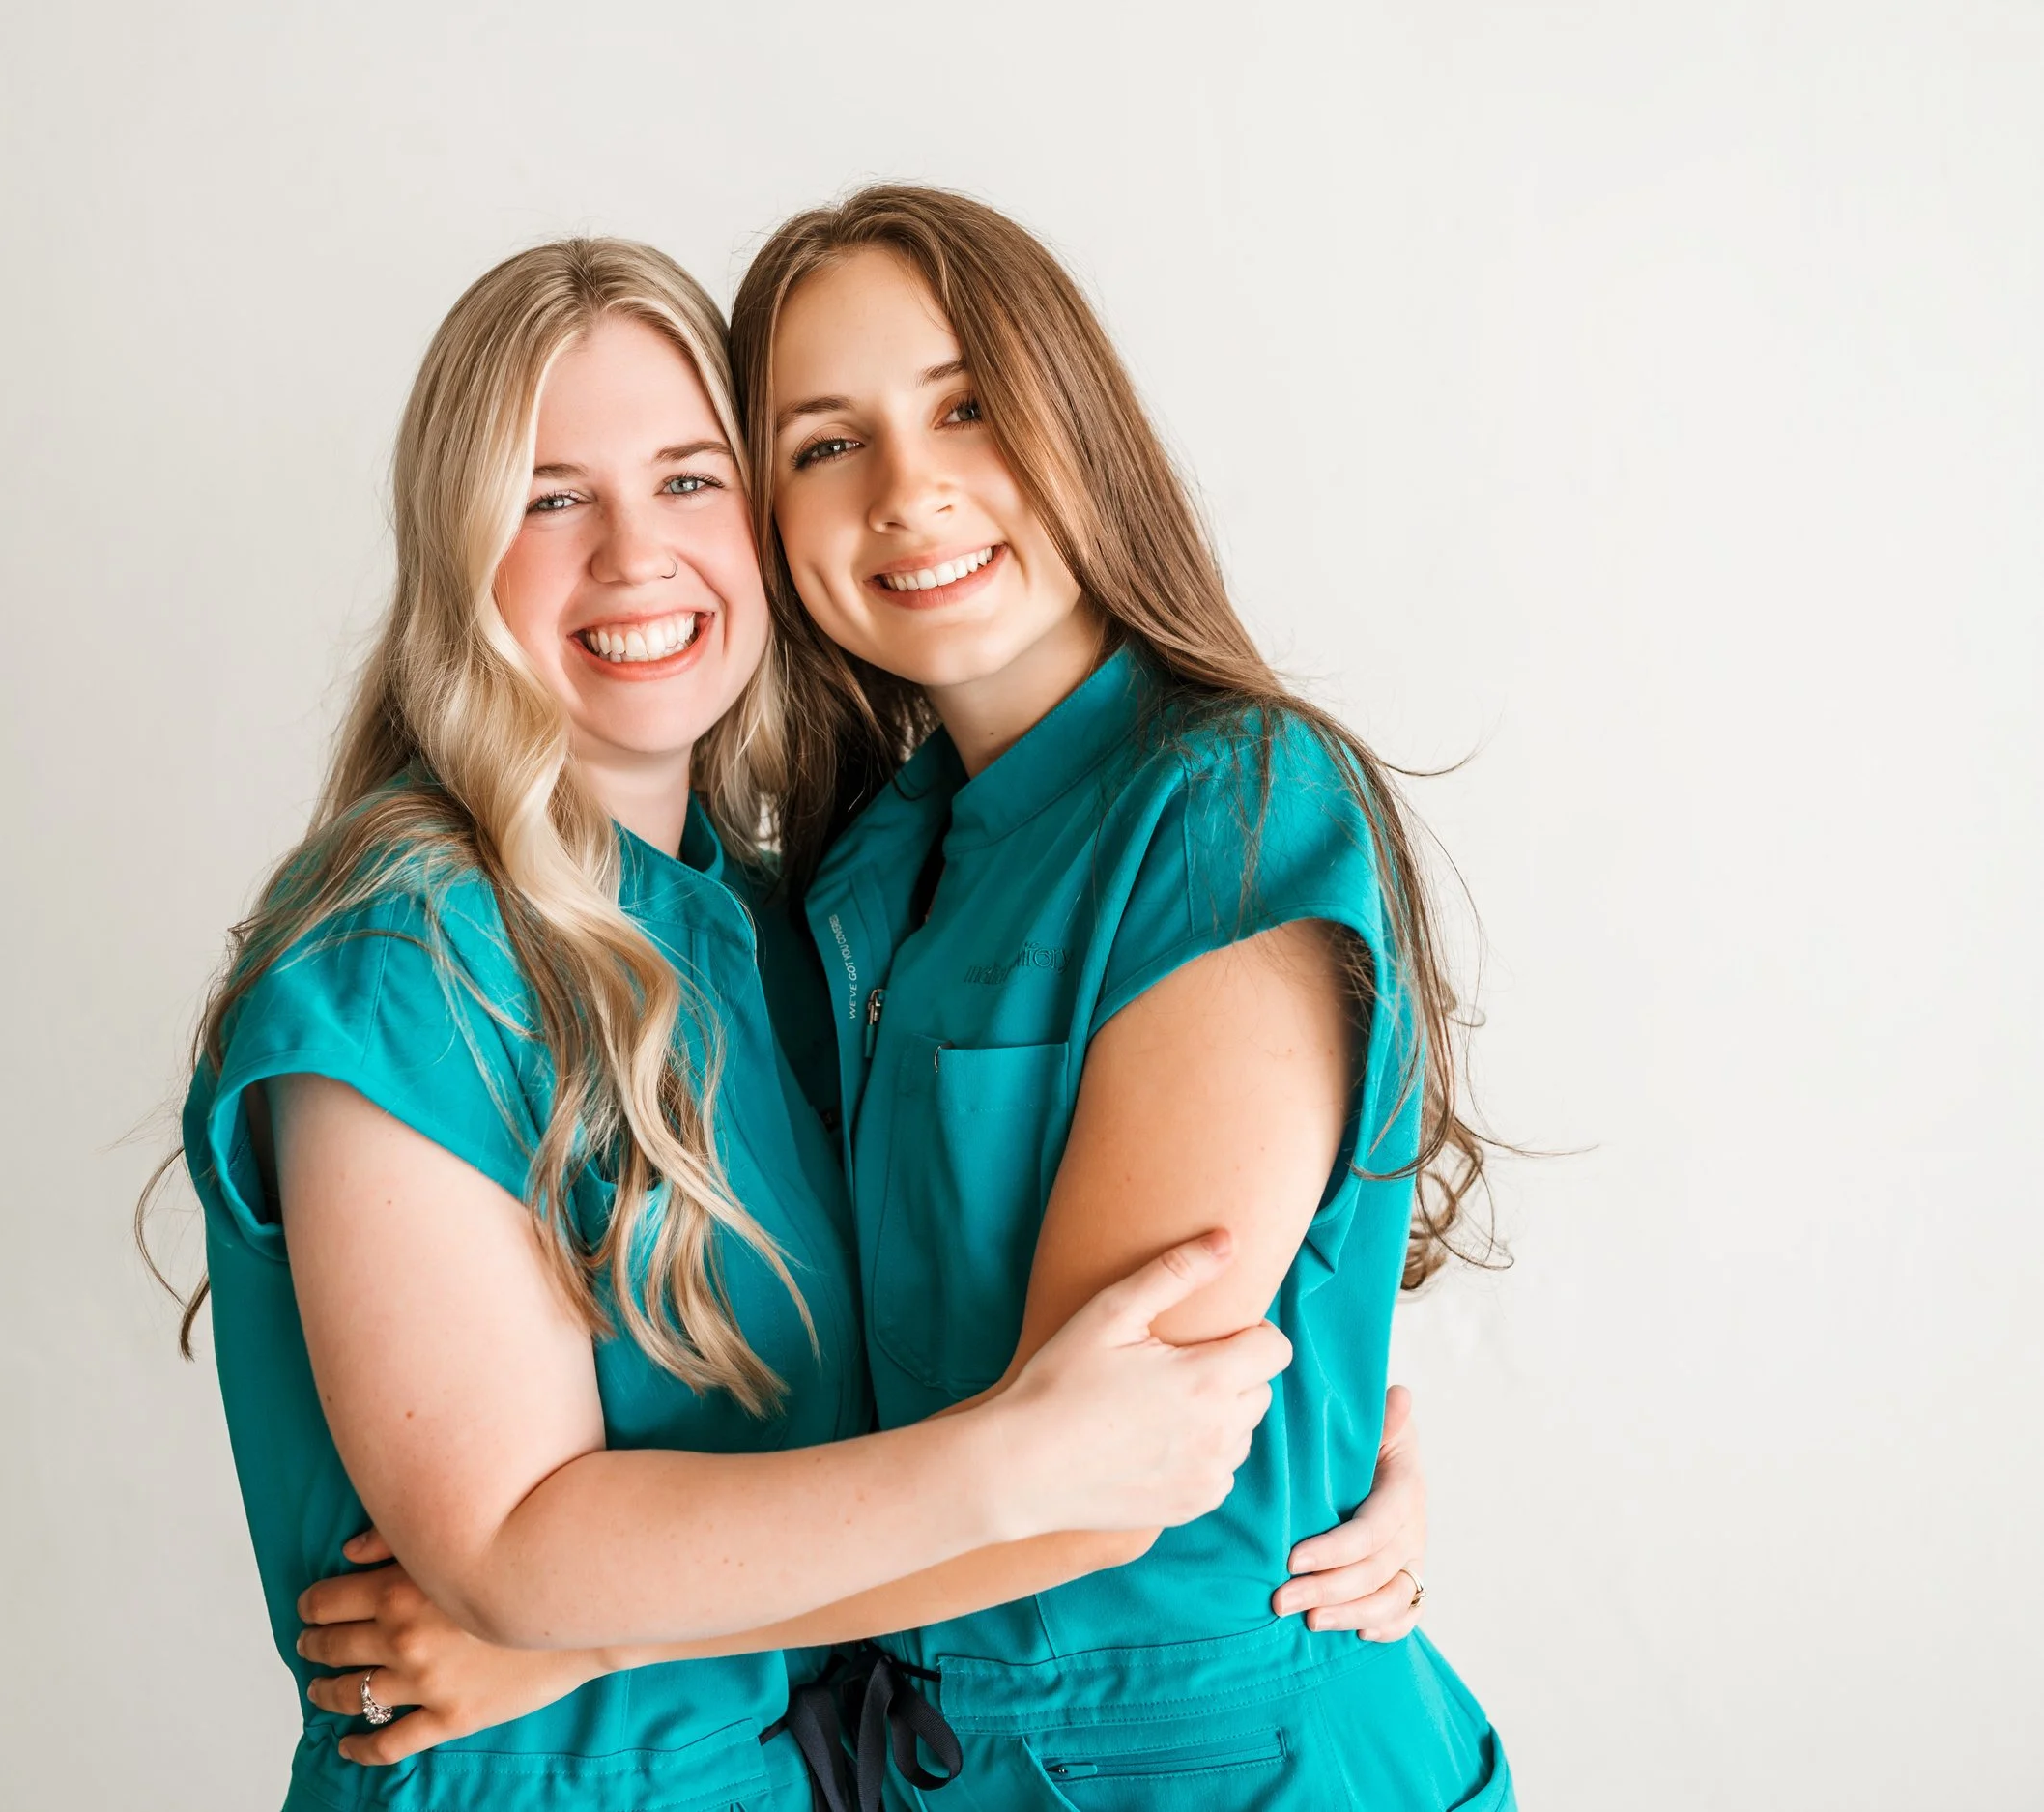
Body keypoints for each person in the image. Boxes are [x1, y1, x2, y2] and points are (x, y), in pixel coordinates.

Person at [160, 237, 1415, 1812]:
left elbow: (1104, 1445)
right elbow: (522, 1537)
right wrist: (554, 1611)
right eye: (551, 497)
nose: (635, 553)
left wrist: (1360, 1433)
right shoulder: (416, 945)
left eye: (690, 478)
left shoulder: (803, 917)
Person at [725, 185, 1513, 1807]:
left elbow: (1105, 1475)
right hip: (933, 1754)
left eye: (967, 405)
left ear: (1076, 420)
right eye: (825, 444)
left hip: (1226, 1762)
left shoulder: (1231, 813)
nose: (909, 489)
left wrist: (576, 1633)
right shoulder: (854, 881)